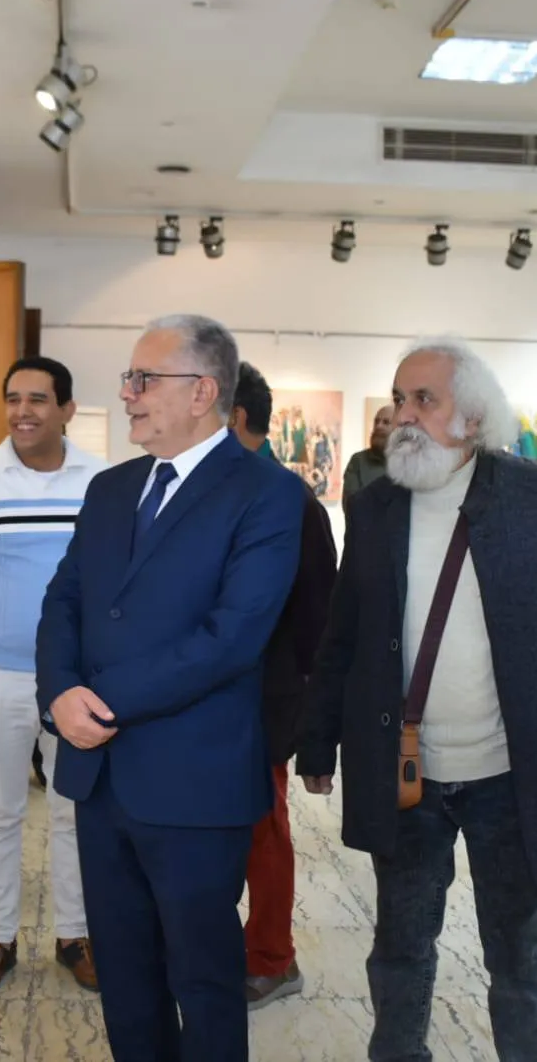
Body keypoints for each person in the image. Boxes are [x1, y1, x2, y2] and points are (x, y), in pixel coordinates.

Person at [298, 336, 537, 1062]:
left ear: (472, 418)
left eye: (423, 400)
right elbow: (342, 634)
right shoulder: (374, 508)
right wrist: (317, 740)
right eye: (397, 398)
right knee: (400, 950)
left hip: (514, 776)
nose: (403, 415)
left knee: (522, 957)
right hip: (407, 775)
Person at [38, 315, 305, 1062]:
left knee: (203, 980)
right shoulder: (111, 489)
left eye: (143, 379)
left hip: (196, 786)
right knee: (125, 977)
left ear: (202, 392)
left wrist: (100, 700)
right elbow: (64, 600)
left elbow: (232, 636)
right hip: (100, 779)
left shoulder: (267, 494)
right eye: (129, 378)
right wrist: (59, 691)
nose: (127, 393)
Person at [0, 357, 106, 996]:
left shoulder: (102, 482)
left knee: (72, 811)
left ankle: (75, 935)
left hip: (75, 679)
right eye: (13, 398)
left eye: (38, 399)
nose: (23, 411)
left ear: (67, 409)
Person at [225, 362, 337, 1009]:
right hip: (202, 699)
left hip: (262, 700)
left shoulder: (292, 502)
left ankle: (272, 957)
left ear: (235, 417)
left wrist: (311, 722)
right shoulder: (208, 492)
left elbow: (319, 620)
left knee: (262, 834)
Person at [342, 401, 393, 514]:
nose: (378, 426)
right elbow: (352, 508)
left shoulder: (410, 462)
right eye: (376, 422)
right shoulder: (358, 461)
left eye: (386, 422)